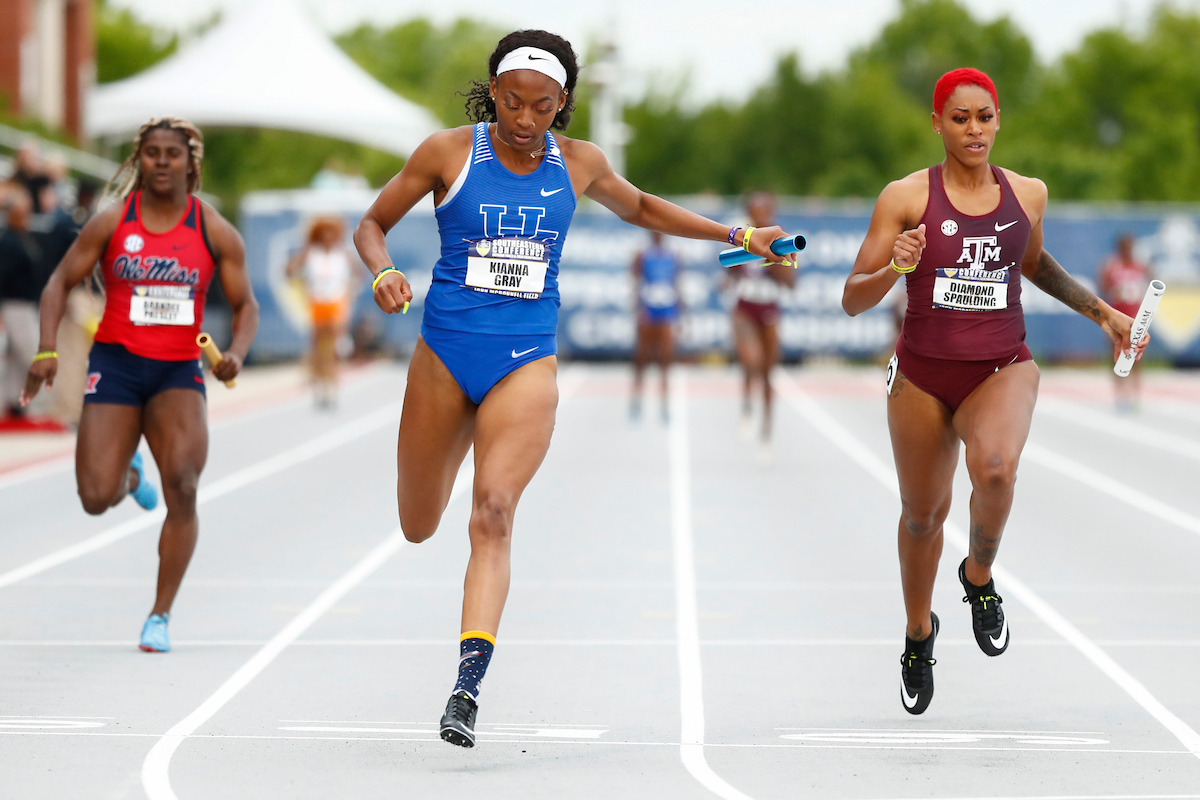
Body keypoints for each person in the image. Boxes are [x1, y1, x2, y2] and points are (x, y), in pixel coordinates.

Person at [353, 29, 793, 748]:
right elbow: (372, 224)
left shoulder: (579, 163)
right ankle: (442, 532)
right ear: (493, 92)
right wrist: (381, 271)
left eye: (542, 107)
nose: (525, 121)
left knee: (491, 513)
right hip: (443, 355)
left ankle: (466, 686)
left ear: (563, 105)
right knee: (418, 523)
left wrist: (739, 236)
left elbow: (645, 208)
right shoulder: (448, 153)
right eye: (513, 103)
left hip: (525, 359)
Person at [842, 68, 1146, 716]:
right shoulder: (906, 197)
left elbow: (1033, 263)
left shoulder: (1028, 194)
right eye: (960, 119)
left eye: (985, 117)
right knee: (923, 516)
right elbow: (851, 297)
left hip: (1001, 366)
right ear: (937, 125)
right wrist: (897, 265)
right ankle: (920, 634)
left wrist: (1106, 316)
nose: (974, 130)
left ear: (999, 119)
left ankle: (977, 578)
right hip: (923, 375)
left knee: (998, 470)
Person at [21, 117, 259, 653]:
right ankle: (128, 478)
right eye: (150, 153)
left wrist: (237, 354)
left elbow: (246, 304)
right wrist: (46, 349)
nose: (160, 162)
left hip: (177, 371)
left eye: (171, 154)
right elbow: (59, 281)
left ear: (189, 163)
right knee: (93, 497)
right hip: (118, 364)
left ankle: (160, 614)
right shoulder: (112, 222)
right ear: (138, 160)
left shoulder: (211, 227)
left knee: (184, 485)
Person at [726, 192, 795, 458]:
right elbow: (728, 270)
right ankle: (746, 408)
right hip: (745, 305)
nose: (761, 215)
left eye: (765, 210)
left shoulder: (781, 240)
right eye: (756, 211)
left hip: (769, 308)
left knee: (768, 370)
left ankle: (766, 430)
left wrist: (773, 263)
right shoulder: (742, 237)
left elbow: (790, 282)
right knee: (750, 361)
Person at [286, 216, 357, 409]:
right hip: (317, 302)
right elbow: (289, 271)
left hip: (336, 303)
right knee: (317, 346)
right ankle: (318, 383)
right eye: (324, 234)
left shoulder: (342, 253)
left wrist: (348, 293)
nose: (328, 237)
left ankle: (332, 384)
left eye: (331, 233)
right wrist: (303, 251)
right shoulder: (311, 253)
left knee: (333, 347)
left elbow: (356, 273)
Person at [0, 188, 45, 422]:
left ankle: (16, 405)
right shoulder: (8, 241)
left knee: (18, 357)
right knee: (31, 353)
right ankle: (25, 403)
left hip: (26, 303)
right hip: (14, 304)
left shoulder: (23, 237)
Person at [630, 230, 683, 422]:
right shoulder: (642, 255)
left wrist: (681, 314)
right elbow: (635, 283)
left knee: (665, 359)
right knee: (641, 358)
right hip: (648, 308)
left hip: (667, 309)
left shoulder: (673, 256)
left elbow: (677, 284)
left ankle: (665, 406)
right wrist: (637, 309)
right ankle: (636, 403)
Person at [1098, 233, 1152, 413]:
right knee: (1116, 356)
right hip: (1115, 316)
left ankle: (1135, 394)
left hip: (1136, 317)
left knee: (1136, 357)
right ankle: (1119, 394)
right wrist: (1116, 291)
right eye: (1123, 245)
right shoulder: (1111, 265)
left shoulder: (1140, 265)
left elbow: (1151, 284)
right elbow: (1103, 287)